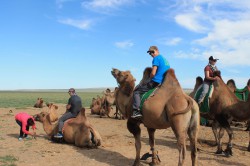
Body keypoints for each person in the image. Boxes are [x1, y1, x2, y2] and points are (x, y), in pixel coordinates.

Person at [131, 46, 170, 118]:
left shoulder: (156, 59)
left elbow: (153, 73)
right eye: (150, 53)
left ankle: (136, 111)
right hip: (164, 82)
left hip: (156, 81)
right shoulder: (165, 60)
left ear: (157, 50)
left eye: (153, 52)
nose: (151, 54)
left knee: (136, 91)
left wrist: (149, 79)